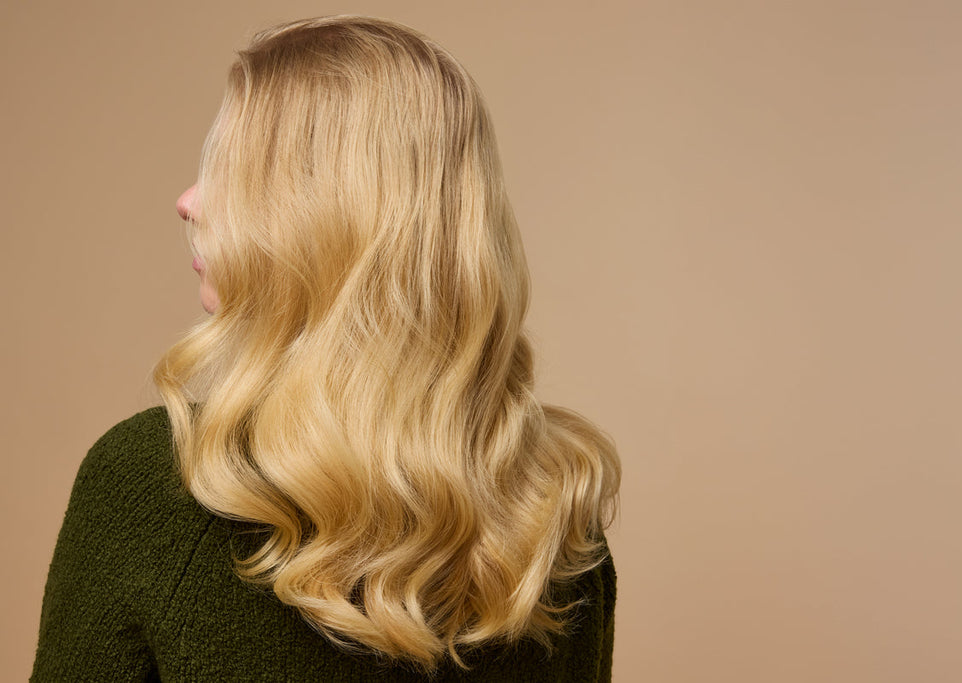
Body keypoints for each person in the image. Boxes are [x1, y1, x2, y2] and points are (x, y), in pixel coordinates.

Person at [31, 15, 621, 682]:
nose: (189, 201)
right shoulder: (557, 521)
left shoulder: (158, 483)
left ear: (327, 219)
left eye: (234, 172)